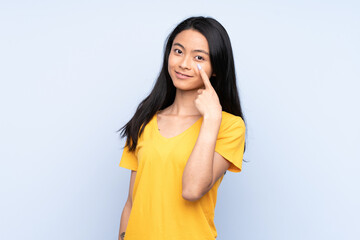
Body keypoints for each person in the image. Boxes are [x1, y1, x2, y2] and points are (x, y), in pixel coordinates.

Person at [117, 16, 247, 240]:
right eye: (178, 51)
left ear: (215, 67)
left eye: (198, 57)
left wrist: (212, 118)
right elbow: (131, 203)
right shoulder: (144, 121)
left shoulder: (229, 126)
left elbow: (192, 190)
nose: (184, 63)